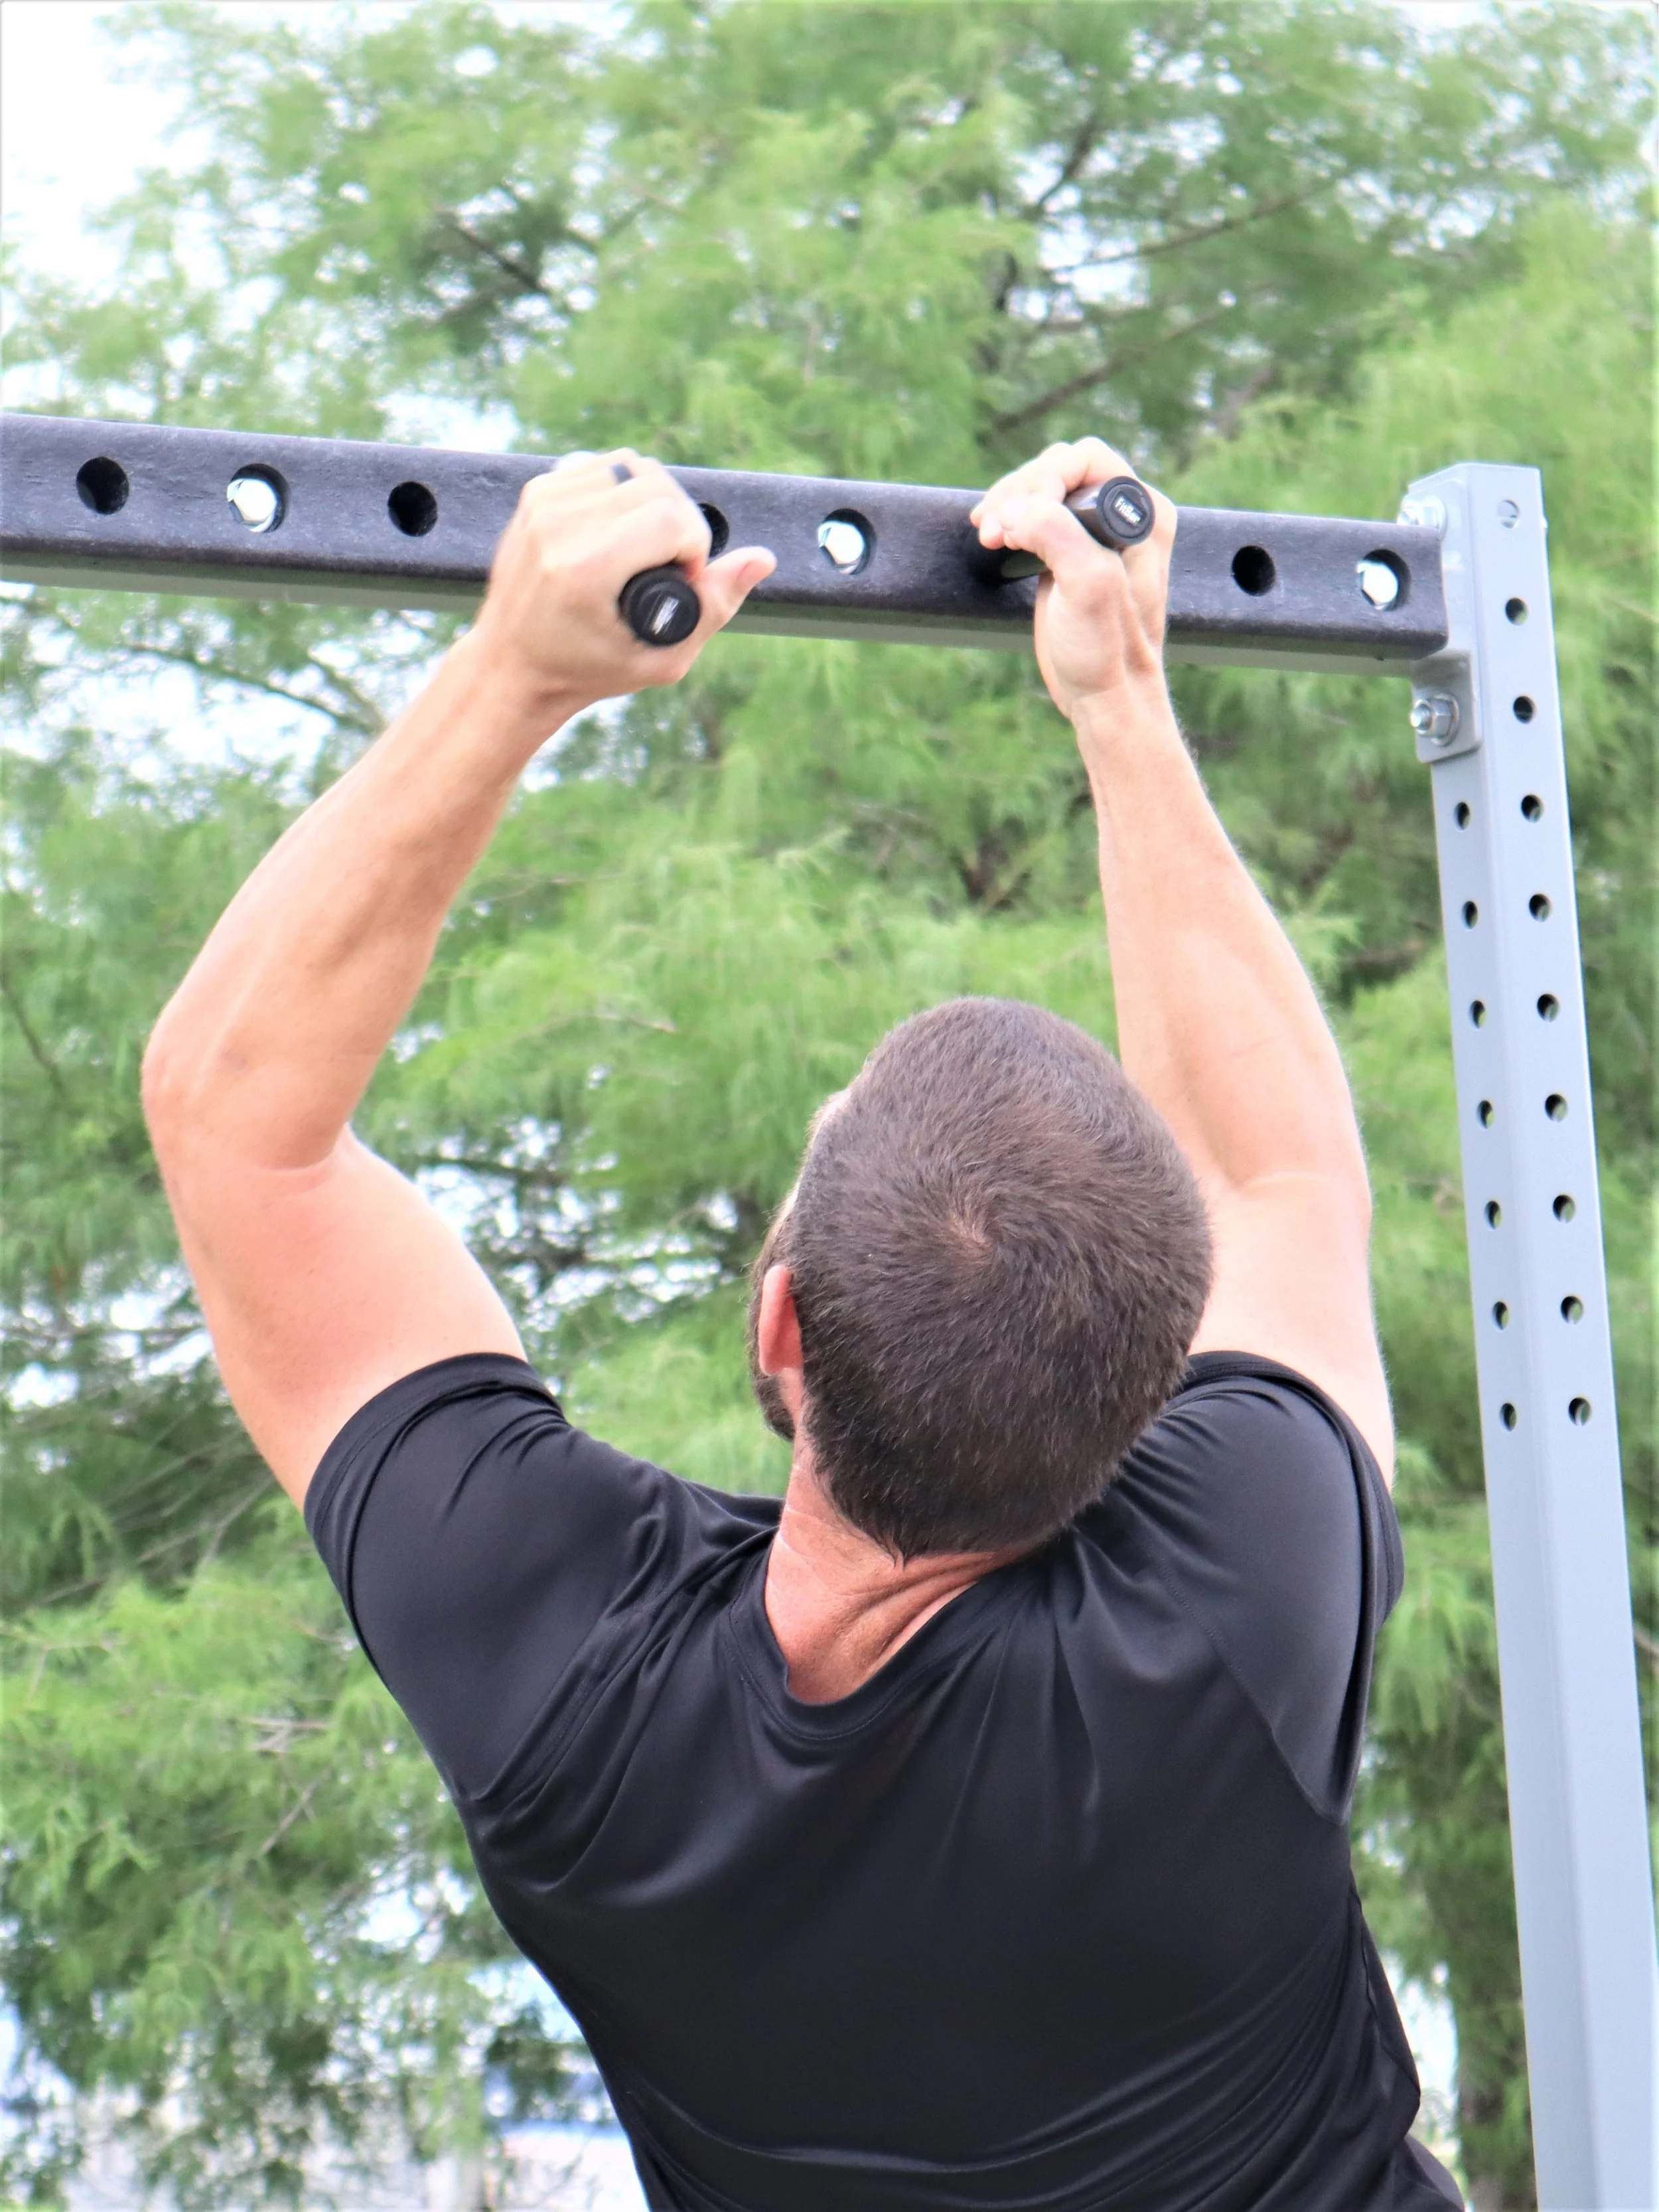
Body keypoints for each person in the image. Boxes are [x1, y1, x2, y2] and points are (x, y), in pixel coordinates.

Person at [142, 439, 1464, 2211]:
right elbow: (1275, 1177)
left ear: (780, 1333)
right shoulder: (1238, 1601)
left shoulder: (576, 1703)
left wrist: (515, 674)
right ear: (1153, 1399)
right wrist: (1120, 700)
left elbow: (233, 1122)